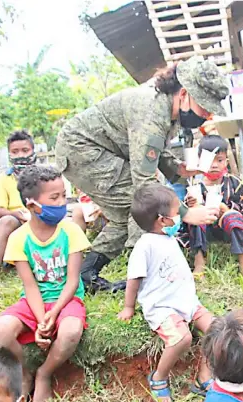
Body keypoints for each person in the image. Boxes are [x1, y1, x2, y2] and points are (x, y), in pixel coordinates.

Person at [55, 55, 227, 292]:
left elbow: (152, 150)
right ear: (185, 94)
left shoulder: (169, 108)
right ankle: (143, 277)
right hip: (82, 150)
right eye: (204, 107)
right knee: (142, 201)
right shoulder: (151, 111)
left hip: (106, 151)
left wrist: (178, 169)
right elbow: (144, 182)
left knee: (125, 214)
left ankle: (86, 274)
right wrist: (186, 213)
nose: (207, 116)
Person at [0, 166, 90, 402]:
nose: (62, 203)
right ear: (32, 205)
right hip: (34, 302)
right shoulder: (18, 238)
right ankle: (23, 374)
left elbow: (73, 280)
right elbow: (30, 286)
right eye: (54, 198)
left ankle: (45, 373)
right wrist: (41, 320)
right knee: (0, 331)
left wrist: (53, 314)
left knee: (70, 331)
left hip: (67, 300)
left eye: (63, 195)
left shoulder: (71, 231)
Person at [118, 184, 213, 402]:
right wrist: (128, 307)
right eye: (176, 213)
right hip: (162, 307)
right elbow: (134, 279)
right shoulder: (145, 246)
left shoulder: (168, 238)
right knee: (182, 338)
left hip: (187, 302)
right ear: (162, 220)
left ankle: (204, 377)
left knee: (217, 330)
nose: (179, 217)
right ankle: (159, 377)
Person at [185, 135, 243, 280]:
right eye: (209, 160)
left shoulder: (234, 183)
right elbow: (183, 214)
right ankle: (199, 264)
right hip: (205, 231)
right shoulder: (195, 185)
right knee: (197, 215)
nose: (214, 165)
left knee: (231, 216)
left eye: (219, 160)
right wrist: (191, 205)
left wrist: (228, 209)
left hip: (229, 230)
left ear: (226, 162)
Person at [0, 130, 35, 294]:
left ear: (33, 150)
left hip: (41, 217)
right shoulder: (4, 178)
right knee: (5, 221)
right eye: (15, 152)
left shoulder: (43, 174)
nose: (20, 155)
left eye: (25, 150)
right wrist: (19, 215)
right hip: (18, 220)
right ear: (9, 153)